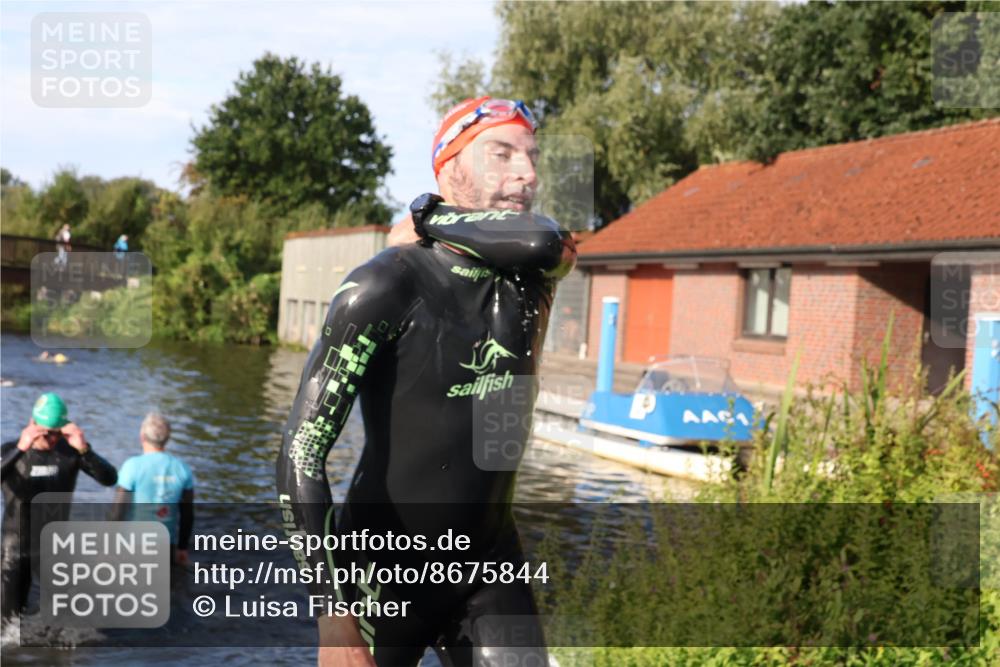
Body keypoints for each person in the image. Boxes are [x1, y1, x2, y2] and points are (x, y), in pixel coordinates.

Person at [277, 96, 577, 667]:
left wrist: (425, 216)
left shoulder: (533, 272)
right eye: (502, 154)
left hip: (490, 566)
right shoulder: (386, 283)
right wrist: (332, 617)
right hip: (382, 570)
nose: (527, 173)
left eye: (533, 157)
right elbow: (301, 450)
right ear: (449, 168)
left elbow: (545, 241)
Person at [1, 393, 118, 623]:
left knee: (61, 623)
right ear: (32, 424)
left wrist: (85, 449)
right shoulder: (11, 450)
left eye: (57, 433)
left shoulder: (71, 452)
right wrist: (21, 448)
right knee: (6, 624)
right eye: (46, 433)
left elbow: (110, 479)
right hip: (15, 548)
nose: (52, 439)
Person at [111, 413, 194, 565]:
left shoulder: (132, 466)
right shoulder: (182, 469)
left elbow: (118, 511)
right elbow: (187, 515)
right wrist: (182, 548)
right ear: (167, 438)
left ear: (142, 436)